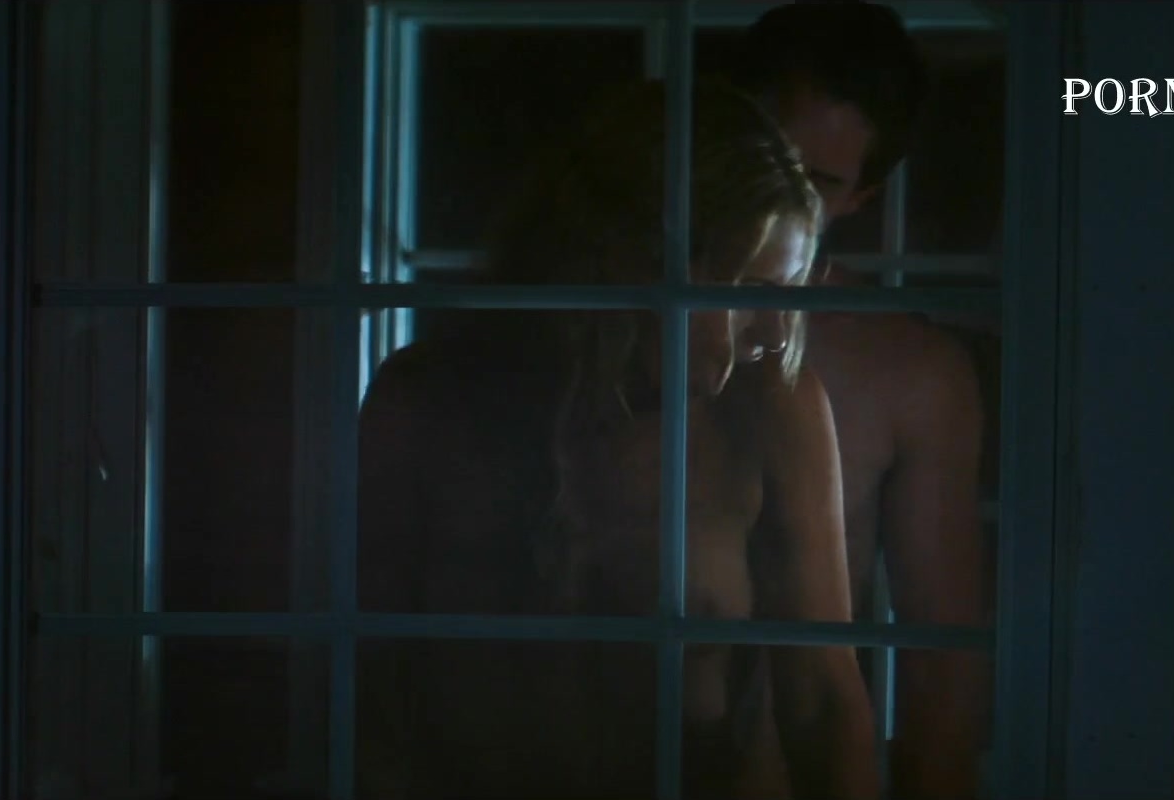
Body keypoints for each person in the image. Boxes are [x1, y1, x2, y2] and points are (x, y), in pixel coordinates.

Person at [355, 78, 878, 799]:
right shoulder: (424, 401)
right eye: (746, 293)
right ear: (635, 260)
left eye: (786, 297)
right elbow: (367, 683)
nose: (773, 334)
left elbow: (823, 701)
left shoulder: (770, 412)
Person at [730, 4, 992, 798]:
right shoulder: (591, 323)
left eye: (811, 183)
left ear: (858, 197)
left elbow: (940, 675)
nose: (767, 199)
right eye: (756, 157)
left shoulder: (906, 371)